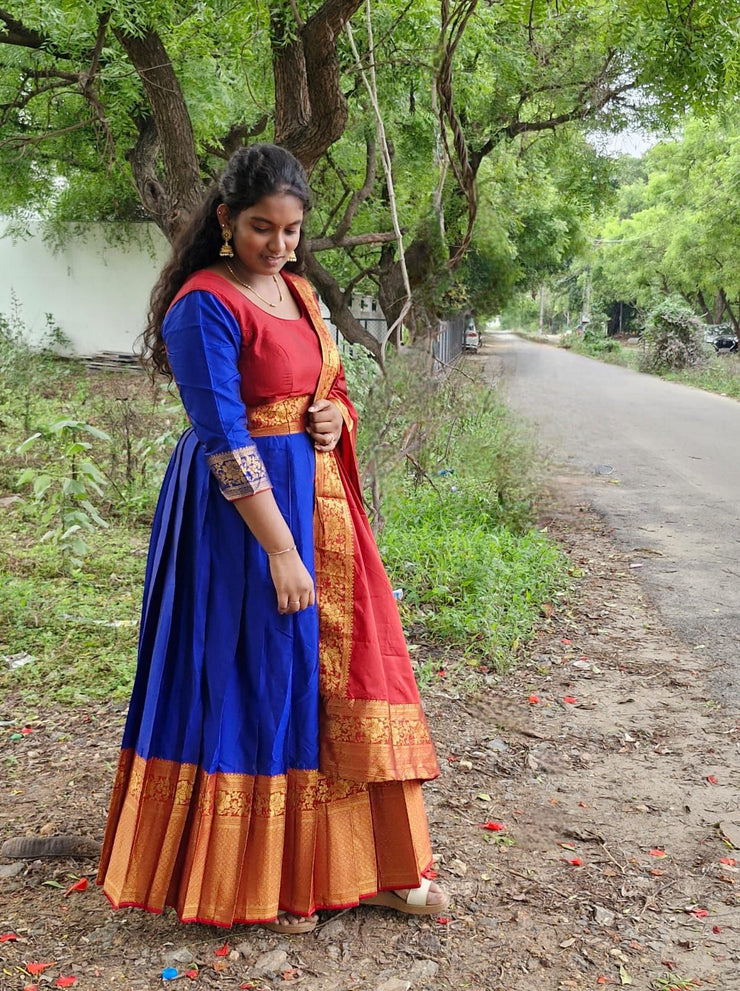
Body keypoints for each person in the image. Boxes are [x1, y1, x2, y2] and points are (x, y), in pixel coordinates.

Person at [97, 144, 448, 933]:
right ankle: (269, 879)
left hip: (322, 508)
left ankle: (361, 867)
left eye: (291, 231)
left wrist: (336, 416)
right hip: (240, 523)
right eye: (262, 228)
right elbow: (222, 434)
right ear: (225, 220)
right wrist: (280, 549)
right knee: (260, 677)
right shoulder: (202, 305)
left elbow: (332, 386)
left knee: (335, 677)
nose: (280, 246)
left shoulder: (298, 292)